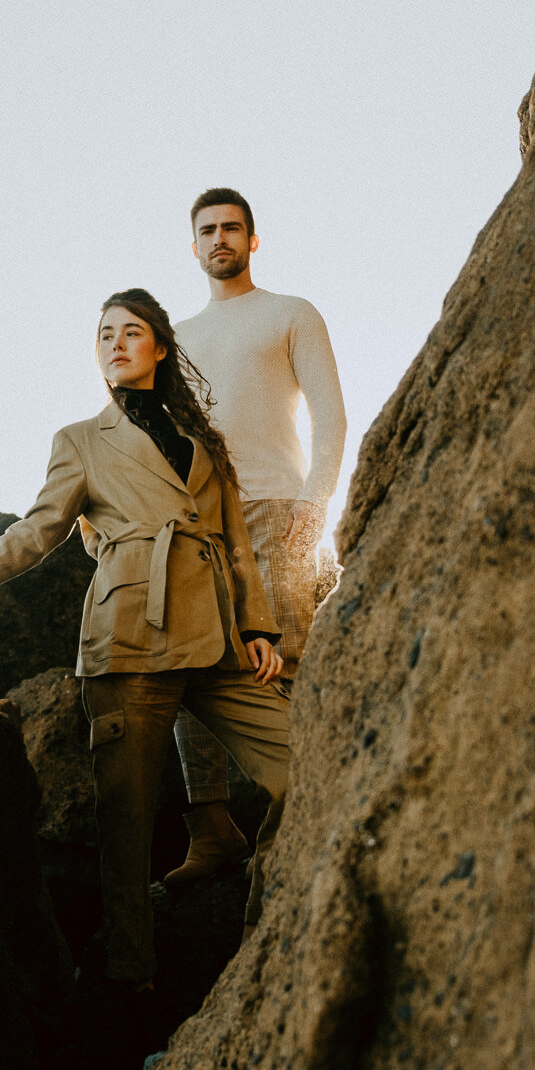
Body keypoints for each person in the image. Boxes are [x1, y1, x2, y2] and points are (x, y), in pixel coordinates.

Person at [0, 289, 291, 990]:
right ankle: (131, 989)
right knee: (124, 839)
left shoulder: (205, 444)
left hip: (218, 642)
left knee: (306, 759)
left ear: (160, 346)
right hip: (128, 641)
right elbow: (34, 535)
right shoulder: (79, 441)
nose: (116, 343)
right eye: (105, 335)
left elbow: (239, 544)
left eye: (133, 332)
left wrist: (257, 626)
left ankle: (267, 931)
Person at [164, 188, 346, 887]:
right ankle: (211, 829)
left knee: (287, 659)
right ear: (194, 246)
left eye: (232, 228)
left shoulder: (290, 313)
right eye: (207, 231)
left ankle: (305, 810)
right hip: (199, 520)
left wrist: (314, 503)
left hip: (274, 507)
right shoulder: (174, 338)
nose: (220, 239)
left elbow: (331, 418)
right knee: (192, 669)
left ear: (253, 239)